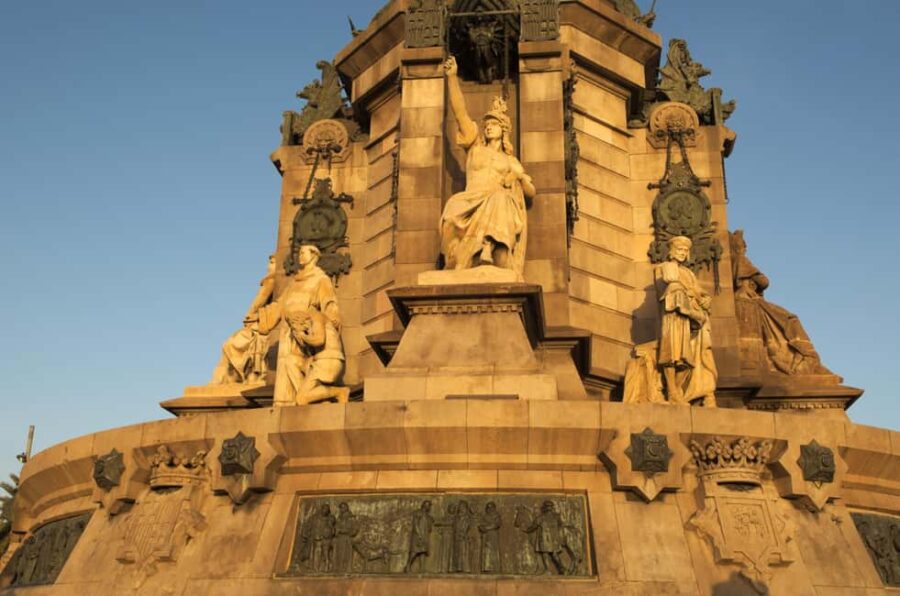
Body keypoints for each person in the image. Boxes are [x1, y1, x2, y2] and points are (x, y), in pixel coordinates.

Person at [440, 56, 535, 279]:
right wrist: (452, 78)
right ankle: (462, 257)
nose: (489, 127)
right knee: (453, 208)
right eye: (488, 124)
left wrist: (518, 177)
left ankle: (488, 248)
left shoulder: (510, 161)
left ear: (504, 130)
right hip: (470, 199)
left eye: (494, 124)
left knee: (500, 199)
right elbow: (460, 113)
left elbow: (531, 191)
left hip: (496, 202)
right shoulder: (475, 147)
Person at [257, 245, 349, 406]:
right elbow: (281, 304)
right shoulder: (294, 282)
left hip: (306, 330)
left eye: (303, 253)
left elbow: (329, 302)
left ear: (313, 255)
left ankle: (312, 397)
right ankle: (296, 401)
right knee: (288, 363)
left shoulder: (321, 279)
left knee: (299, 364)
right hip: (290, 332)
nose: (300, 256)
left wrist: (330, 317)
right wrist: (263, 316)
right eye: (299, 252)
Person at [655, 236, 717, 406]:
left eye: (685, 250)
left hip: (689, 318)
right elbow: (665, 290)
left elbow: (698, 291)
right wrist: (685, 293)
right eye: (679, 250)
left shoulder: (689, 273)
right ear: (671, 251)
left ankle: (677, 391)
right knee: (671, 355)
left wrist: (704, 299)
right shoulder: (663, 268)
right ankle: (672, 392)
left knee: (687, 360)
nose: (682, 253)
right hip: (672, 317)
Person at [211, 255, 276, 384]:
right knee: (231, 344)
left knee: (230, 344)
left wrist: (250, 317)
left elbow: (257, 304)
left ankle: (226, 379)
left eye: (272, 262)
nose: (269, 266)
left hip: (263, 324)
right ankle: (227, 379)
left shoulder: (270, 281)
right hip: (264, 322)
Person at [405, 500, 434, 573]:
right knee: (414, 551)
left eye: (429, 506)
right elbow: (415, 524)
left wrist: (431, 521)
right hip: (418, 535)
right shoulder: (418, 513)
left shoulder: (428, 516)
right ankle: (408, 566)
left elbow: (429, 528)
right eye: (428, 505)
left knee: (423, 552)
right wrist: (419, 535)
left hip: (425, 535)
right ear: (425, 505)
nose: (429, 507)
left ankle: (422, 568)